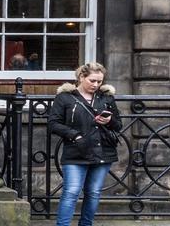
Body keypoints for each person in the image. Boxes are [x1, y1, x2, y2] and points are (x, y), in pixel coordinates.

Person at [48, 62, 122, 226]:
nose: (96, 85)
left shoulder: (106, 97)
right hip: (76, 151)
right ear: (81, 77)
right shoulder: (65, 97)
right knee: (72, 191)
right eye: (92, 80)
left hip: (103, 150)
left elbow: (118, 125)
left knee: (94, 192)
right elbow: (53, 123)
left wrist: (109, 121)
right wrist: (75, 136)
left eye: (99, 81)